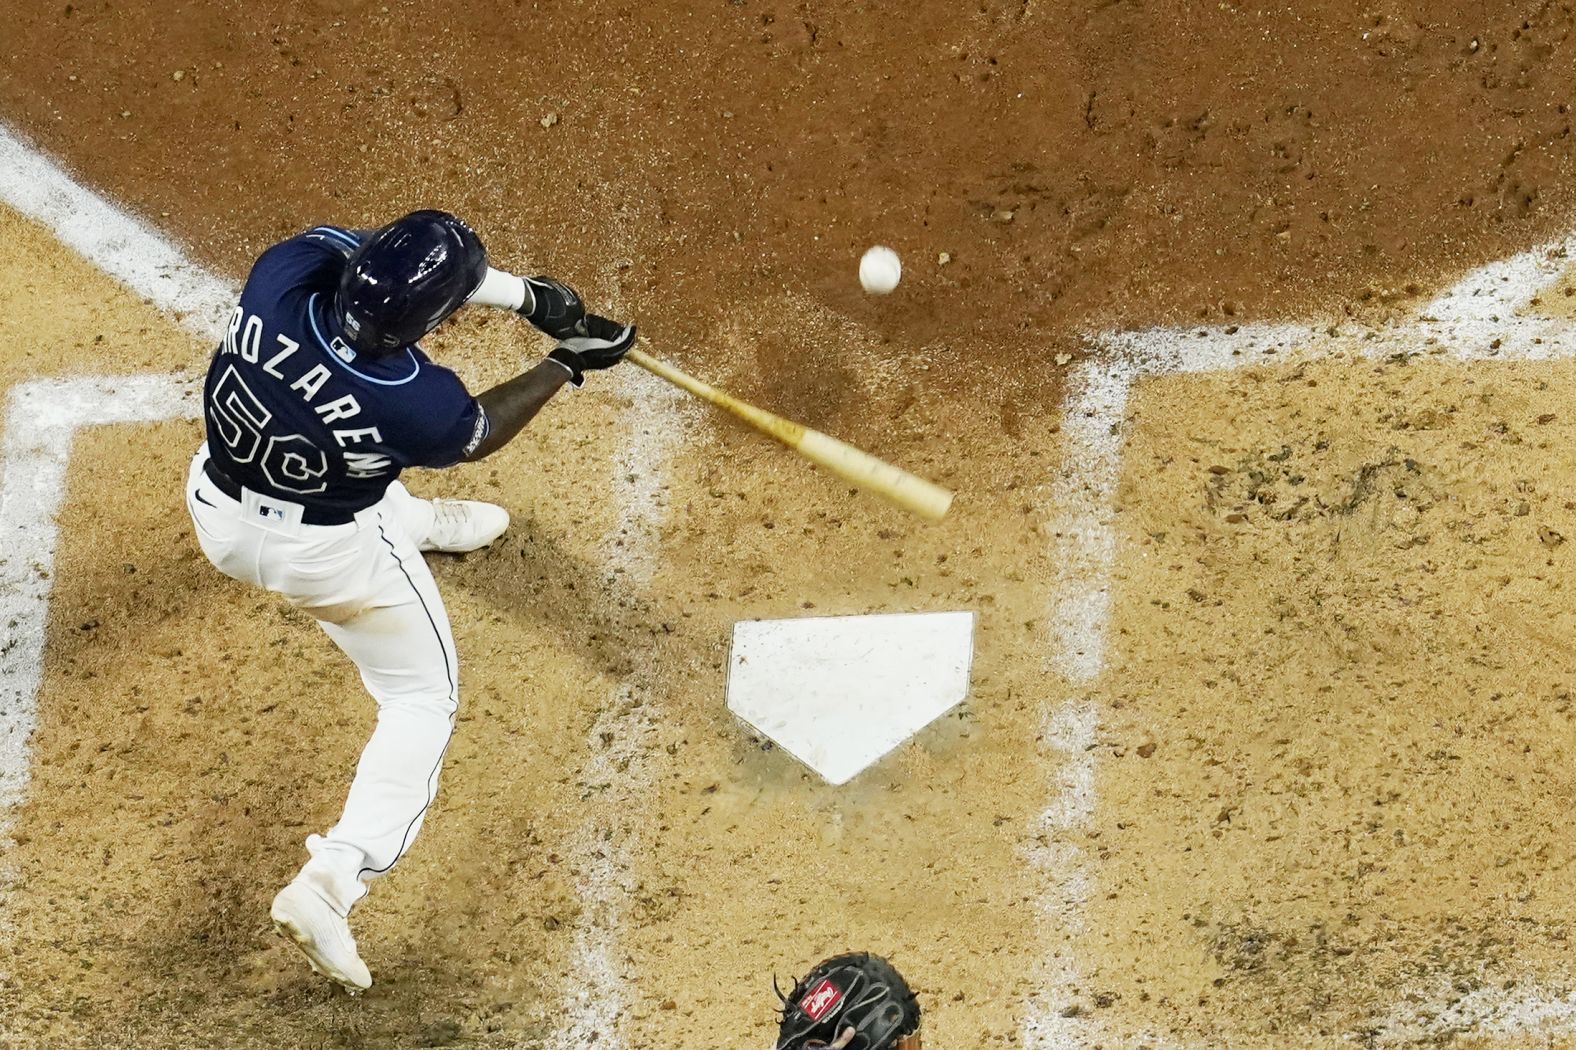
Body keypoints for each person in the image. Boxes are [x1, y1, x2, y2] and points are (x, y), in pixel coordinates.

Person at [184, 210, 634, 992]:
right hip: (326, 556)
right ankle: (332, 881)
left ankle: (416, 523)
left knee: (344, 450)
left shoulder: (280, 276)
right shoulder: (417, 404)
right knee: (421, 698)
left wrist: (525, 297)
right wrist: (567, 360)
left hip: (219, 511)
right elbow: (480, 430)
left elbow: (362, 255)